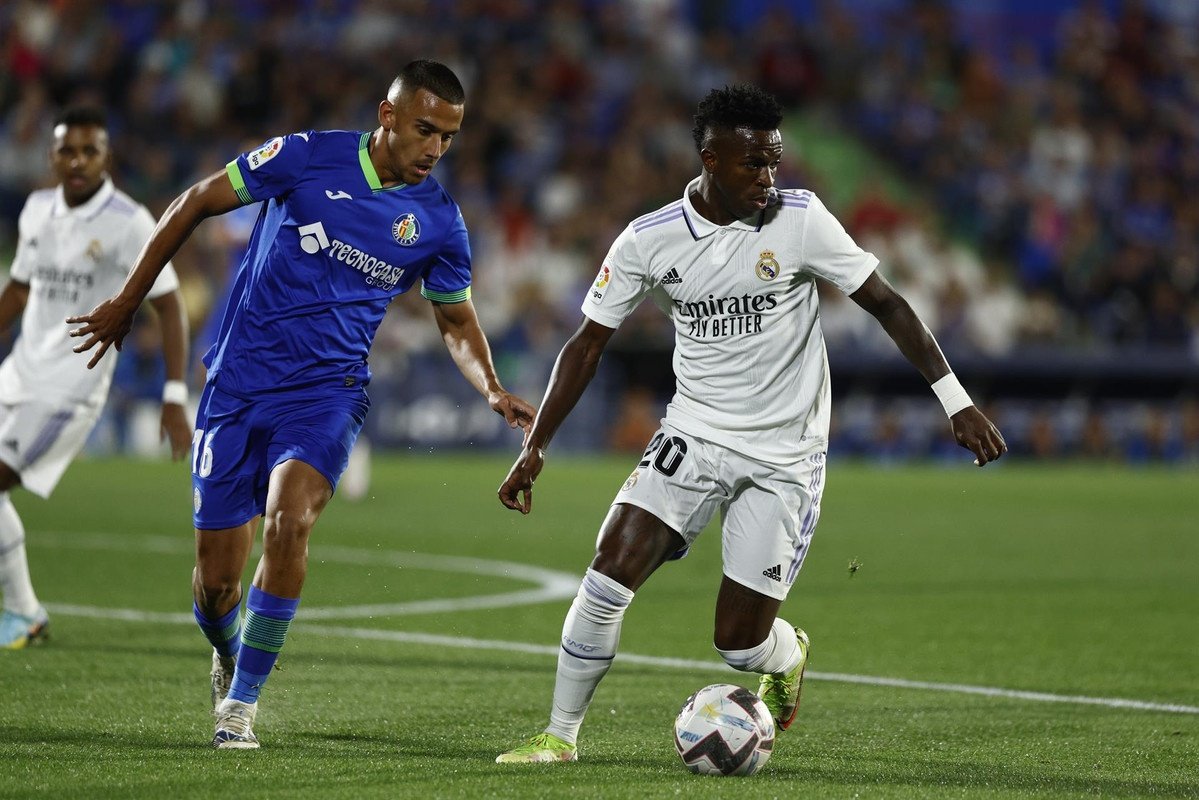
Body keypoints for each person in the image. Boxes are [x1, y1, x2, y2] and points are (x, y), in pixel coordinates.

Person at [495, 84, 1007, 763]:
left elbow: (886, 304)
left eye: (774, 163)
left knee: (737, 643)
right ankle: (558, 738)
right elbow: (587, 344)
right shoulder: (649, 239)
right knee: (608, 570)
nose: (768, 180)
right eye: (751, 165)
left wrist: (955, 400)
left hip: (785, 454)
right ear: (709, 159)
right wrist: (535, 448)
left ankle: (786, 653)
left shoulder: (801, 220)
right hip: (694, 432)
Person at [68, 60, 535, 749]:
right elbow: (195, 202)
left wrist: (492, 387)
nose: (435, 149)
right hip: (236, 387)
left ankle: (240, 708)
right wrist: (127, 301)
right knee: (213, 588)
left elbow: (456, 322)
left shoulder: (436, 222)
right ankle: (228, 651)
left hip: (327, 395)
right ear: (387, 116)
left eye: (448, 137)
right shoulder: (305, 157)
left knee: (289, 522)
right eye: (424, 130)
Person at [0, 106, 191, 649]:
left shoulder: (129, 221)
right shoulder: (36, 209)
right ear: (51, 156)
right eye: (67, 150)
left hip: (69, 390)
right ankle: (25, 613)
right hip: (15, 375)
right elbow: (19, 289)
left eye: (90, 151)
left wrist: (174, 394)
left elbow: (170, 304)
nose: (78, 161)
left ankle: (24, 611)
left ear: (108, 157)